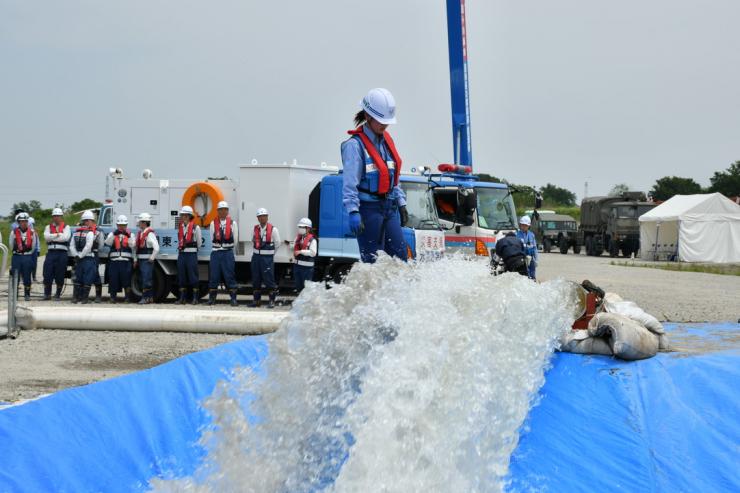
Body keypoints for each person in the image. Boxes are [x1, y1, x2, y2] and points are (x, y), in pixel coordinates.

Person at [341, 87, 409, 263]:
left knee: (401, 259)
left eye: (387, 120)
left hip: (389, 207)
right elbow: (350, 183)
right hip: (368, 210)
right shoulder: (354, 146)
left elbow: (393, 178)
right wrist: (353, 211)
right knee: (372, 262)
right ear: (368, 115)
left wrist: (401, 202)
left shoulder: (387, 142)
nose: (384, 124)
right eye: (380, 120)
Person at [208, 201, 238, 306]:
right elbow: (212, 238)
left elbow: (236, 239)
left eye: (225, 209)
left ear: (227, 211)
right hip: (216, 252)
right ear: (217, 211)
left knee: (229, 275)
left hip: (228, 252)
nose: (222, 211)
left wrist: (227, 246)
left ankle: (233, 299)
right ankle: (212, 299)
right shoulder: (213, 223)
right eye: (220, 209)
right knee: (214, 276)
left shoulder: (233, 223)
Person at [249, 208, 281, 308]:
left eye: (264, 216)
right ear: (257, 218)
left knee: (269, 279)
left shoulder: (273, 229)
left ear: (267, 217)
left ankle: (272, 301)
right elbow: (252, 241)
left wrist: (270, 254)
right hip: (256, 258)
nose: (262, 218)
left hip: (267, 259)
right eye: (260, 216)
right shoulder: (255, 229)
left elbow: (277, 244)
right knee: (256, 278)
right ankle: (256, 301)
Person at [69, 210, 99, 304]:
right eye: (89, 221)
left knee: (78, 277)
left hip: (78, 258)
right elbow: (88, 246)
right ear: (90, 221)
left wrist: (76, 255)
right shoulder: (90, 233)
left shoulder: (76, 232)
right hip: (88, 258)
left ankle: (75, 298)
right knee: (87, 278)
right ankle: (84, 299)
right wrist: (81, 255)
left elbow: (71, 246)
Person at [104, 215, 135, 303]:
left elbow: (133, 245)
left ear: (126, 225)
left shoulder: (131, 234)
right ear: (117, 225)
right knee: (113, 279)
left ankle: (127, 297)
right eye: (120, 225)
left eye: (123, 225)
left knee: (126, 280)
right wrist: (114, 235)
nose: (121, 227)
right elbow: (108, 242)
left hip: (126, 261)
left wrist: (128, 236)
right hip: (114, 261)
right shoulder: (112, 234)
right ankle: (113, 297)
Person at [42, 208, 71, 301]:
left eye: (58, 216)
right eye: (54, 216)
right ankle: (47, 294)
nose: (56, 218)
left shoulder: (67, 227)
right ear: (52, 217)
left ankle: (58, 294)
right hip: (51, 252)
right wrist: (57, 234)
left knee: (60, 273)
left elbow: (65, 238)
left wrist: (52, 236)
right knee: (47, 273)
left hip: (62, 253)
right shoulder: (48, 227)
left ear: (61, 217)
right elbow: (46, 238)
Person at [9, 212, 39, 301]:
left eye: (25, 221)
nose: (23, 223)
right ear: (18, 222)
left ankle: (27, 294)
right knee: (15, 276)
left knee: (27, 276)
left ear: (28, 222)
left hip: (27, 256)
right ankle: (15, 294)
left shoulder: (32, 232)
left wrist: (27, 253)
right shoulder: (13, 232)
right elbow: (11, 245)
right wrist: (17, 251)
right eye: (21, 221)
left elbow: (33, 246)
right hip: (16, 256)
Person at [176, 205, 201, 305]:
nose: (183, 217)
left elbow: (199, 242)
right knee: (181, 276)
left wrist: (192, 249)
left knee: (193, 276)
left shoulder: (196, 227)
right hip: (182, 254)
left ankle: (195, 298)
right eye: (182, 215)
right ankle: (182, 298)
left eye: (185, 215)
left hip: (191, 254)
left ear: (190, 216)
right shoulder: (180, 227)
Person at [134, 212, 159, 304]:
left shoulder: (149, 234)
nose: (139, 223)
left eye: (140, 222)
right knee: (142, 278)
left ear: (144, 222)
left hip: (146, 260)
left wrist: (152, 258)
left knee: (146, 279)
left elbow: (156, 248)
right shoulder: (141, 233)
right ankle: (149, 298)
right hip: (141, 260)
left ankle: (146, 298)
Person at [293, 217, 317, 294]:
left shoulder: (313, 240)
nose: (300, 228)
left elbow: (313, 253)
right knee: (298, 288)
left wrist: (300, 251)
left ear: (308, 229)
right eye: (299, 227)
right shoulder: (298, 238)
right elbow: (294, 245)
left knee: (306, 290)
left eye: (302, 227)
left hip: (307, 269)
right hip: (297, 267)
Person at [516, 215, 538, 280]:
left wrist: (536, 260)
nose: (523, 227)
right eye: (522, 225)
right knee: (524, 275)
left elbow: (535, 248)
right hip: (521, 258)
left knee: (532, 275)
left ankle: (533, 283)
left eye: (525, 225)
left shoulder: (531, 235)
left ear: (528, 226)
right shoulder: (517, 234)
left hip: (531, 258)